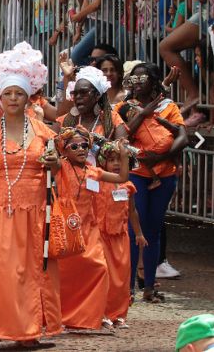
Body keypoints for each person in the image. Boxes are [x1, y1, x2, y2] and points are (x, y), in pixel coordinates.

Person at [0, 42, 60, 348]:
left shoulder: (44, 132)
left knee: (30, 269)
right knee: (1, 268)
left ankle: (27, 331)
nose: (13, 99)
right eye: (8, 93)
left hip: (34, 207)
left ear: (28, 96)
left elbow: (56, 168)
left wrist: (54, 164)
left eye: (19, 93)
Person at [115, 62, 188, 303]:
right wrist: (144, 114)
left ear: (154, 81)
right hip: (136, 173)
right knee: (133, 228)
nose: (136, 83)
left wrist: (163, 157)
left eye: (142, 78)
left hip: (164, 173)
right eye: (133, 79)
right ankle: (128, 289)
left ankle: (148, 287)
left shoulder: (169, 107)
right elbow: (123, 134)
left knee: (153, 230)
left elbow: (183, 137)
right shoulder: (125, 107)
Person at [52, 126, 129, 330]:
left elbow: (122, 179)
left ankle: (92, 316)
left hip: (90, 228)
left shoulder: (94, 171)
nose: (81, 149)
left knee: (100, 269)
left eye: (85, 145)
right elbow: (49, 161)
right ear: (65, 150)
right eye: (74, 146)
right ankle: (66, 316)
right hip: (67, 227)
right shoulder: (61, 166)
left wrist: (123, 155)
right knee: (67, 276)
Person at [160, 0, 214, 126]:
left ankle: (193, 95)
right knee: (207, 69)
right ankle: (198, 104)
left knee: (166, 46)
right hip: (201, 13)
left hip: (207, 15)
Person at [94, 141, 147, 328]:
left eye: (120, 160)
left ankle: (119, 315)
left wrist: (139, 234)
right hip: (100, 236)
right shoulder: (96, 181)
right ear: (102, 162)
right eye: (111, 160)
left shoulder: (129, 186)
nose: (116, 164)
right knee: (104, 275)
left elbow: (133, 211)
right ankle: (102, 313)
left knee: (121, 278)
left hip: (121, 236)